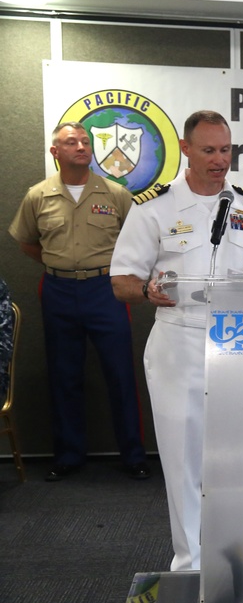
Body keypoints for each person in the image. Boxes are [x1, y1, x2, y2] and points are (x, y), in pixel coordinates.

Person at [110, 110, 243, 571]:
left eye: (226, 150)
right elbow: (121, 280)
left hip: (234, 341)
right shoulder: (154, 210)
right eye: (209, 150)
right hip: (178, 342)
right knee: (185, 457)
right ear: (186, 149)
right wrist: (146, 291)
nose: (220, 160)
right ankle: (191, 564)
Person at [8, 122, 149, 482]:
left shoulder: (116, 194)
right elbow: (26, 242)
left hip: (106, 290)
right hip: (58, 291)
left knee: (120, 375)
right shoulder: (38, 196)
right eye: (71, 142)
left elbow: (137, 245)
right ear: (55, 152)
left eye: (85, 141)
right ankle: (69, 455)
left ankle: (134, 456)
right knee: (64, 375)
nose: (81, 146)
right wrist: (63, 264)